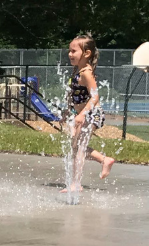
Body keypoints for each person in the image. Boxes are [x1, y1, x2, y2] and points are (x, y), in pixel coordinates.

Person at [61, 34, 116, 193]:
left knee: (79, 148)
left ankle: (76, 184)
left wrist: (82, 114)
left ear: (86, 53)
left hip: (92, 113)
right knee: (76, 145)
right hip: (85, 113)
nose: (70, 54)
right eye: (69, 51)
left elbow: (95, 96)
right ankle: (104, 160)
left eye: (73, 51)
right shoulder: (77, 70)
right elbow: (76, 95)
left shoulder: (86, 72)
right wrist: (69, 111)